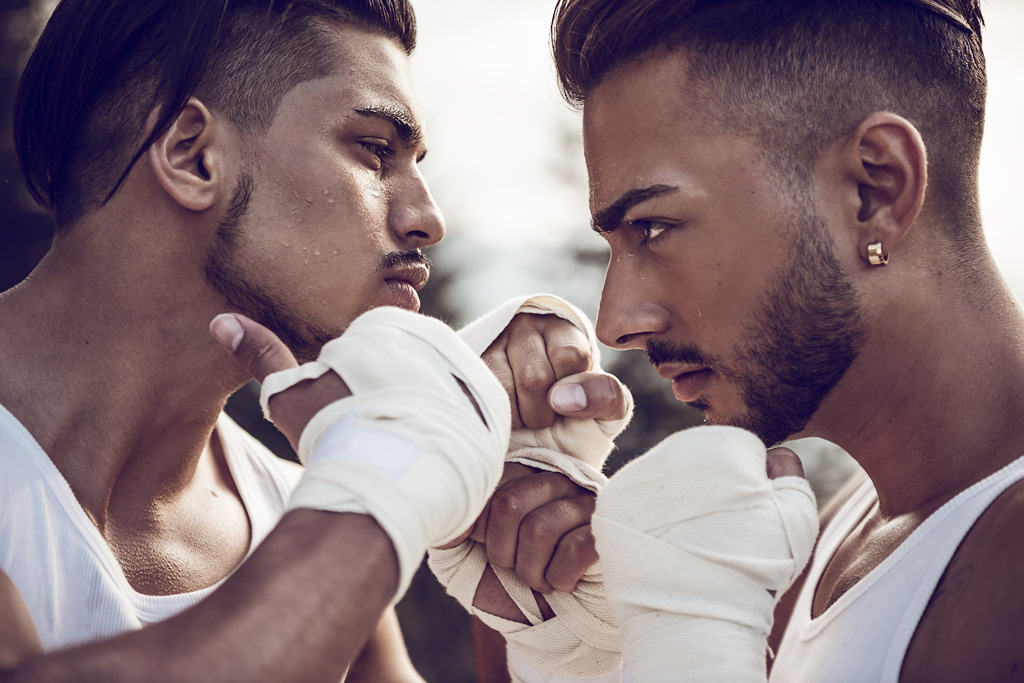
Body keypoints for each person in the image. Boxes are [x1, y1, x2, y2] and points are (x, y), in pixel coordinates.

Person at [0, 0, 630, 680]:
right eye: (375, 151)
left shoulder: (304, 512)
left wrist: (543, 624)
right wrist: (380, 493)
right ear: (193, 155)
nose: (427, 218)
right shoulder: (338, 523)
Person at [548, 0, 1024, 680]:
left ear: (874, 190)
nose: (615, 321)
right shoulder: (833, 540)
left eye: (653, 227)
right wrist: (550, 619)